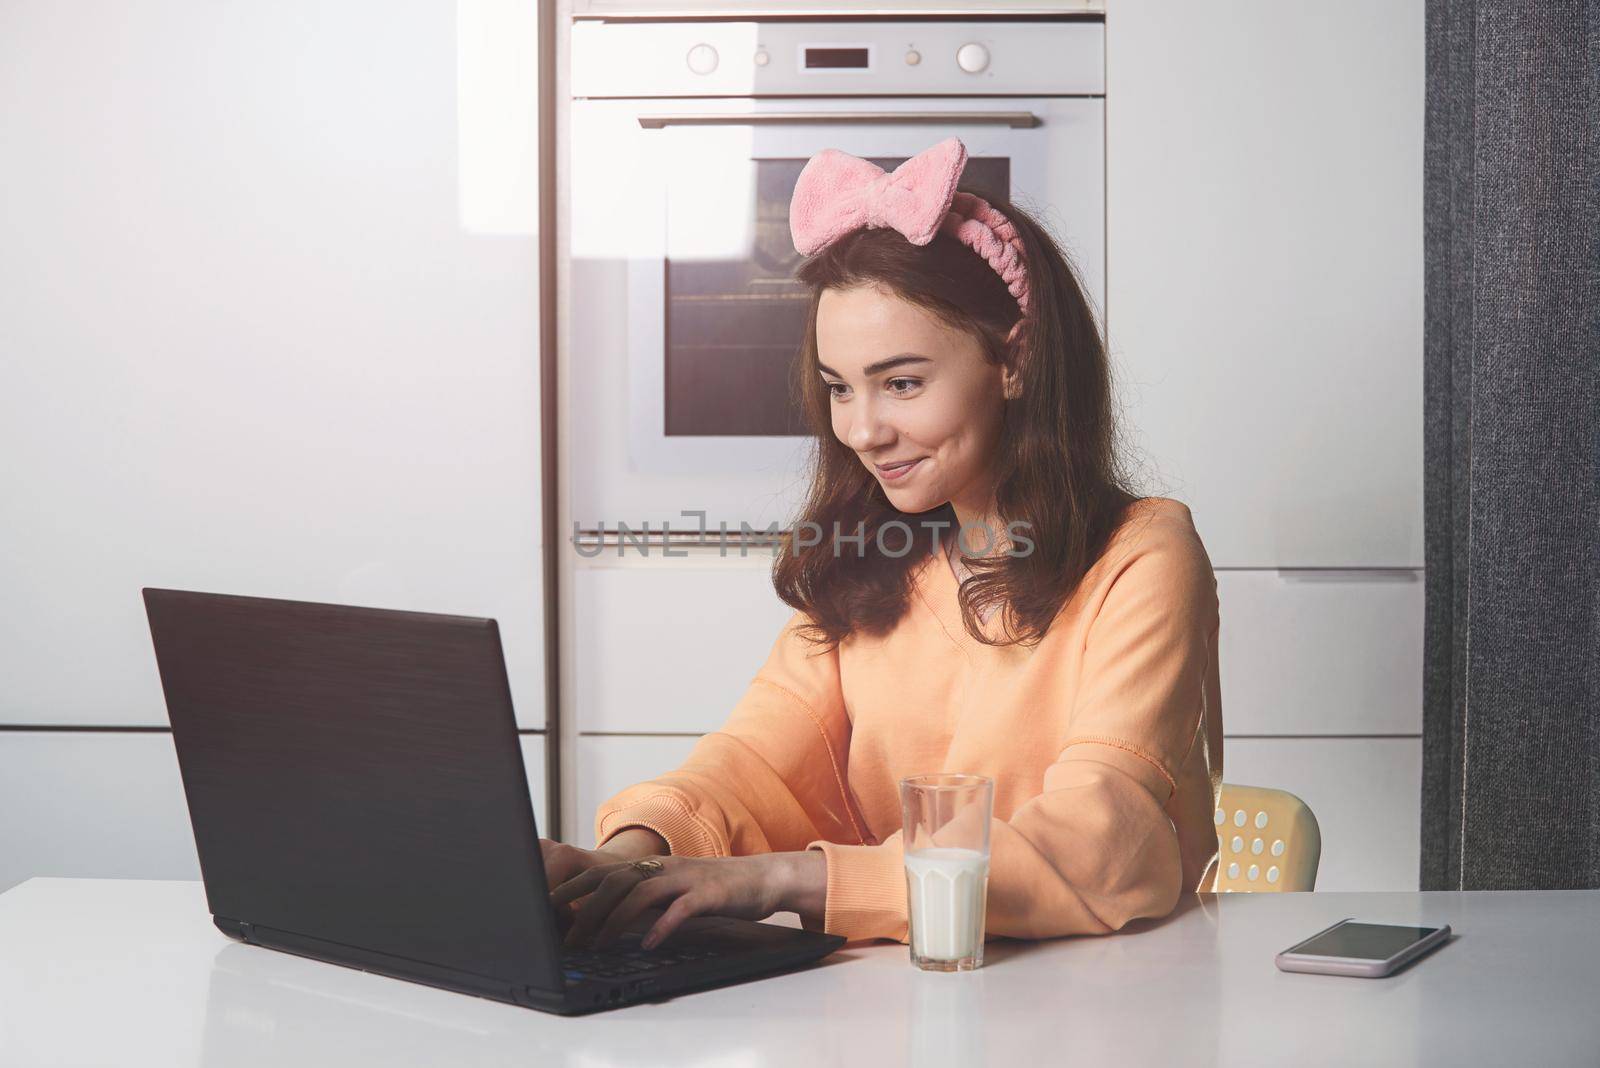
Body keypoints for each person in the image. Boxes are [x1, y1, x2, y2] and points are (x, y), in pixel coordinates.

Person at [541, 137, 1223, 953]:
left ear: (1016, 361)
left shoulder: (1142, 554)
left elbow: (1103, 836)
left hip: (1102, 1000)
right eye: (839, 387)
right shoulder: (872, 552)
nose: (862, 430)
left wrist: (787, 879)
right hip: (908, 992)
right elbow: (752, 758)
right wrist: (626, 861)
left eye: (901, 383)